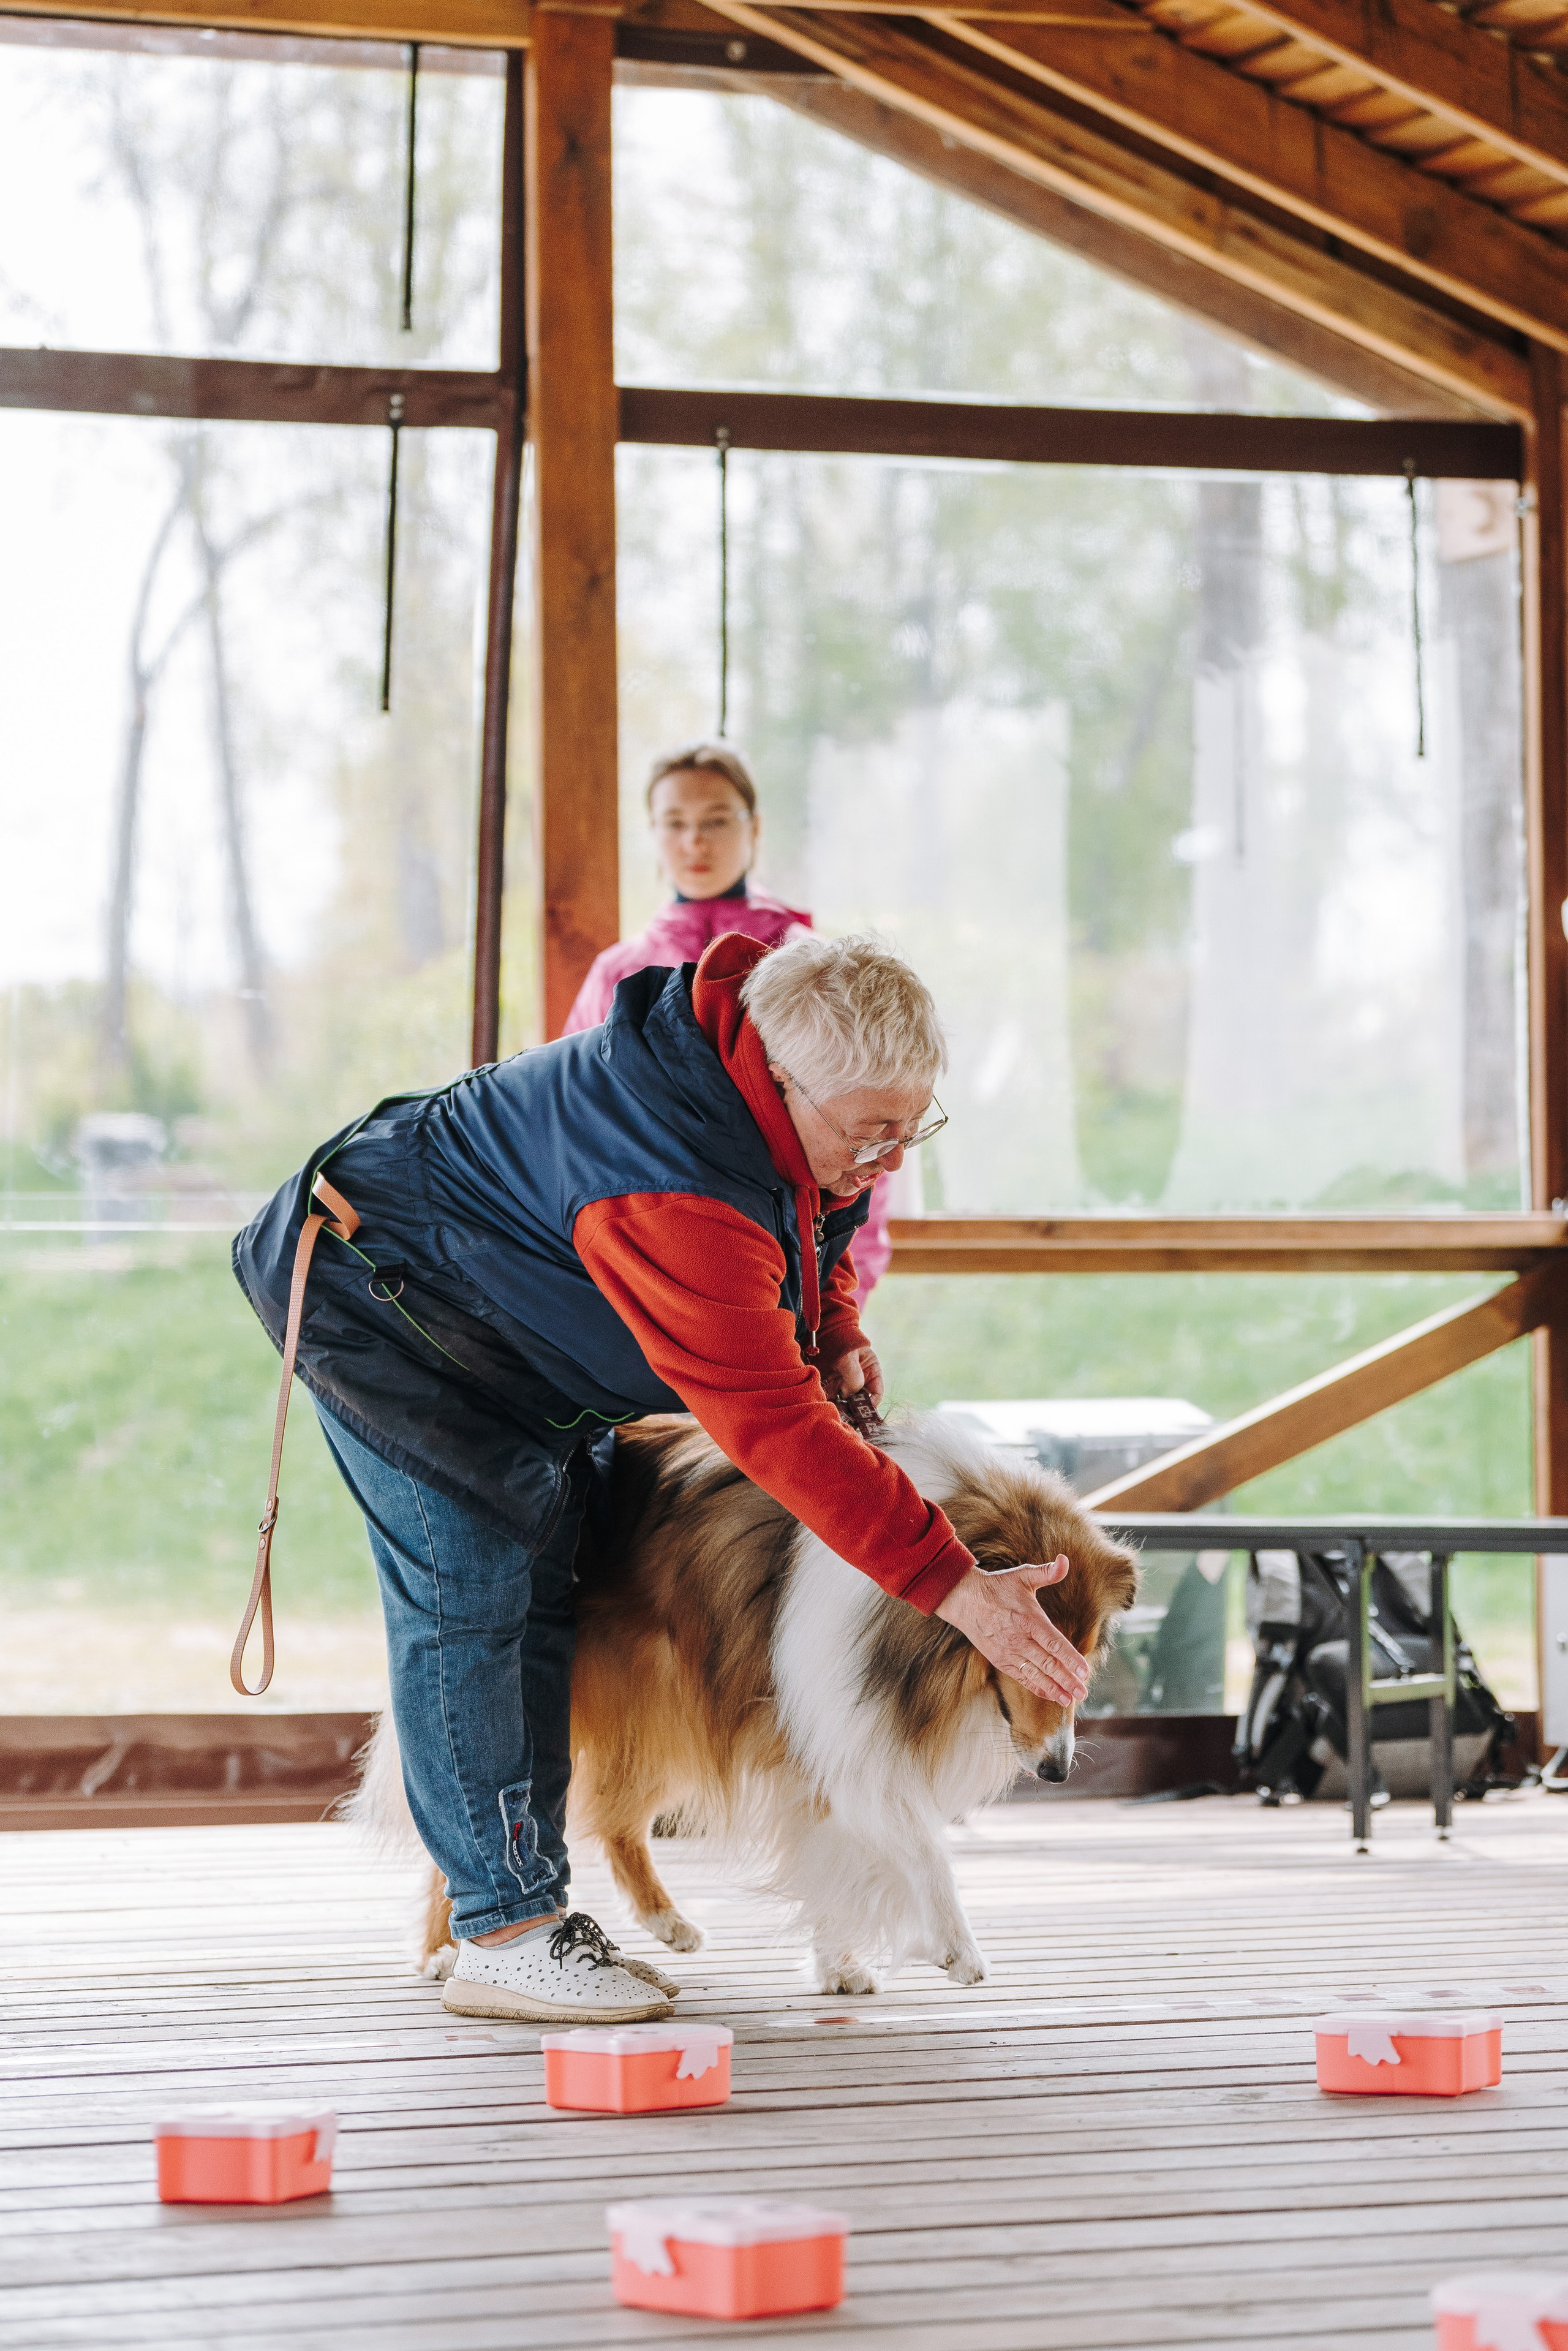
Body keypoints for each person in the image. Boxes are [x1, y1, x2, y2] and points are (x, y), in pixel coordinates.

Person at [233, 932, 1091, 2023]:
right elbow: (773, 1428)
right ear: (782, 1082)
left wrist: (830, 1320)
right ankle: (504, 1931)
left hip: (504, 1325)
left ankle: (522, 1909)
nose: (889, 1156)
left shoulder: (772, 1091)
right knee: (478, 1594)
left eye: (912, 1126)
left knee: (558, 1575)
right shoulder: (673, 1190)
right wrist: (954, 1581)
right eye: (872, 1131)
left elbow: (817, 1206)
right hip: (387, 1307)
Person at [564, 742, 895, 1302]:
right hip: (650, 1268)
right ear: (653, 833)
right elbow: (576, 1123)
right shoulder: (617, 975)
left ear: (754, 828)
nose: (695, 841)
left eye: (716, 820)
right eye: (675, 823)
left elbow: (867, 1126)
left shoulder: (810, 964)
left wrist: (841, 1305)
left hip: (791, 1262)